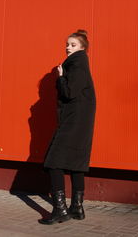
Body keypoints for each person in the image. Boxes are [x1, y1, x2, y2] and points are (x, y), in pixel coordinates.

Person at [39, 30, 96, 225]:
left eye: (72, 44)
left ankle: (60, 210)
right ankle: (77, 208)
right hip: (80, 123)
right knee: (76, 164)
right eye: (67, 44)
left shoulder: (77, 64)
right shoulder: (80, 64)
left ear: (82, 48)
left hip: (73, 122)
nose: (67, 47)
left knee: (53, 162)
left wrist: (61, 77)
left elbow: (69, 92)